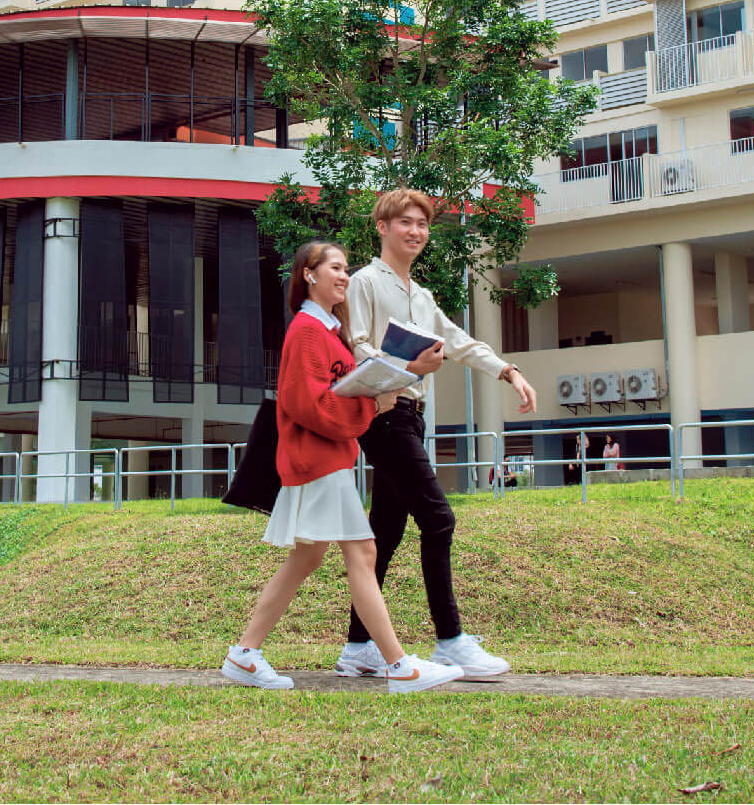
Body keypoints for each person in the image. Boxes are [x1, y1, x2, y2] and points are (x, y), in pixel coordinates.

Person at [222, 241, 465, 695]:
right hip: (318, 459)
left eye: (346, 269)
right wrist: (372, 405)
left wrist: (387, 384)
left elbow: (335, 392)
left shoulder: (328, 331)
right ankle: (398, 665)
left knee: (307, 558)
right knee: (363, 554)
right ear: (308, 274)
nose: (344, 276)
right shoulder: (307, 331)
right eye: (334, 267)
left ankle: (245, 653)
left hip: (324, 458)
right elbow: (309, 404)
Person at [337, 189, 537, 682]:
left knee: (386, 531)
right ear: (382, 227)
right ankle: (450, 639)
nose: (416, 231)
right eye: (405, 222)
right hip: (384, 413)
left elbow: (459, 342)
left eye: (422, 224)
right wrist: (408, 366)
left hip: (412, 416)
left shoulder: (422, 296)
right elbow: (355, 346)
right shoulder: (365, 282)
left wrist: (508, 371)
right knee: (438, 518)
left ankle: (358, 647)